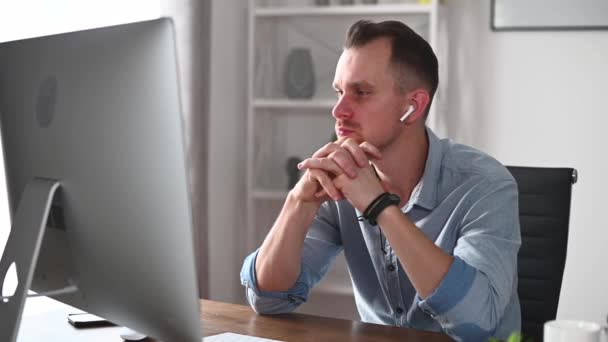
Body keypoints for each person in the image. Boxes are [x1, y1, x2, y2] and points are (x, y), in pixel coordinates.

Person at [240, 19, 521, 341]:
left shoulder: (486, 185)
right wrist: (298, 202)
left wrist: (380, 207)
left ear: (412, 106)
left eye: (361, 93)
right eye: (339, 92)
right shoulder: (339, 177)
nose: (339, 110)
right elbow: (269, 300)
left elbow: (477, 323)